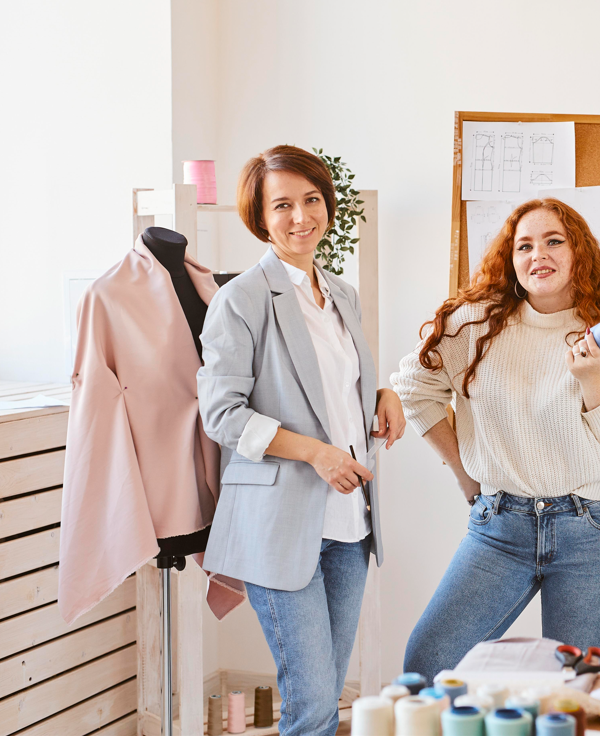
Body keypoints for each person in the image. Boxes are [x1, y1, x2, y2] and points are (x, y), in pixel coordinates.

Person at [392, 198, 600, 680]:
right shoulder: (473, 325)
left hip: (593, 532)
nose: (539, 255)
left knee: (570, 689)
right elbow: (413, 389)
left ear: (578, 253)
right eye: (525, 246)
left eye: (554, 241)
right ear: (510, 259)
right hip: (500, 526)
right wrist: (463, 473)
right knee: (427, 666)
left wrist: (592, 379)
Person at [197, 145, 405, 736]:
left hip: (348, 524)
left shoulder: (341, 294)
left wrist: (382, 393)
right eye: (282, 205)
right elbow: (222, 414)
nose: (300, 216)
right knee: (312, 706)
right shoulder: (241, 298)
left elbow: (331, 388)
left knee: (324, 698)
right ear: (260, 217)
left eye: (312, 200)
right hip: (279, 525)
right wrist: (315, 453)